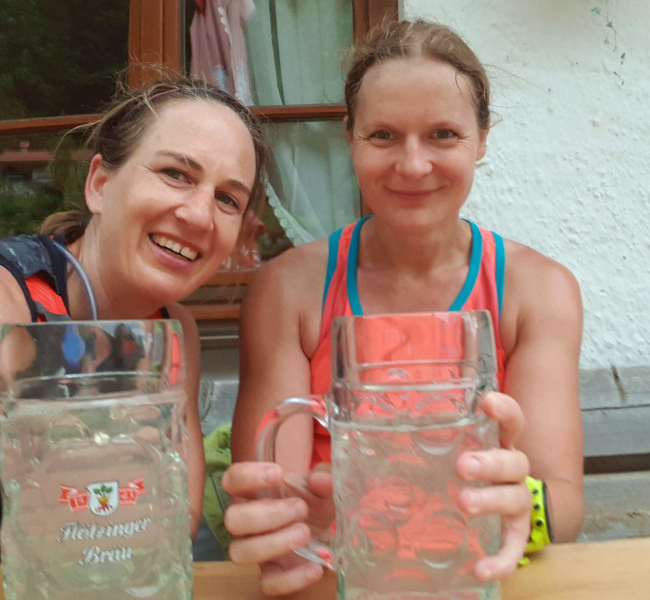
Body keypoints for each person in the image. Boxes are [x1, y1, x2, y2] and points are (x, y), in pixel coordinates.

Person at [224, 18, 584, 596]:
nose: (413, 165)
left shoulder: (537, 290)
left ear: (482, 139)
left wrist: (524, 507)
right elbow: (279, 503)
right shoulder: (289, 289)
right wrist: (290, 522)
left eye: (443, 134)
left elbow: (561, 502)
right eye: (384, 135)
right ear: (350, 137)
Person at [0, 73, 269, 542]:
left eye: (227, 199)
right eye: (175, 174)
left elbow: (175, 522)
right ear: (100, 184)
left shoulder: (175, 329)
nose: (199, 215)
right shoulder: (8, 298)